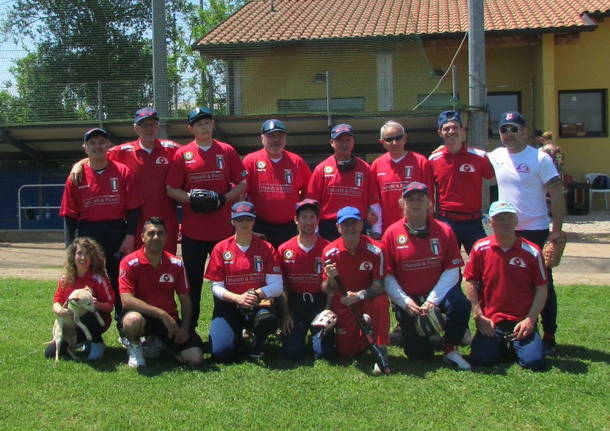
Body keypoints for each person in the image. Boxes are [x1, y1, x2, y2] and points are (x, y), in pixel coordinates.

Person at [487, 111, 565, 356]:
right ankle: (511, 329)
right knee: (509, 282)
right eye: (504, 129)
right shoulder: (496, 156)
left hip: (536, 230)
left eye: (513, 128)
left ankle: (549, 335)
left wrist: (557, 230)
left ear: (524, 131)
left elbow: (557, 192)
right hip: (506, 230)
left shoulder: (540, 158)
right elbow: (471, 156)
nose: (508, 134)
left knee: (543, 283)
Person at [166, 107, 248, 331]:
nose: (203, 126)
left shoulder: (227, 150)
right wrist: (191, 198)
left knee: (227, 282)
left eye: (207, 122)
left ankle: (228, 326)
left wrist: (224, 199)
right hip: (194, 233)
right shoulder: (183, 154)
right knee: (192, 284)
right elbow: (171, 189)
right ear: (190, 128)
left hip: (223, 233)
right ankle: (189, 328)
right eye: (198, 123)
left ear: (213, 124)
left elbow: (242, 183)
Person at [381, 182, 471, 370]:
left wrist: (432, 301)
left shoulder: (444, 230)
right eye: (410, 199)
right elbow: (387, 276)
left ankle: (450, 349)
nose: (416, 202)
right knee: (418, 355)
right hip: (410, 299)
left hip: (437, 295)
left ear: (429, 203)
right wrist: (405, 302)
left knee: (461, 304)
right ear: (402, 204)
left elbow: (452, 270)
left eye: (420, 198)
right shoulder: (391, 234)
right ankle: (433, 328)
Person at [69, 108, 181, 253]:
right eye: (143, 125)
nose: (148, 129)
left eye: (152, 124)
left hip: (166, 222)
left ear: (157, 126)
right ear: (135, 128)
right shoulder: (123, 151)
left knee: (166, 264)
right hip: (136, 224)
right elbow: (97, 154)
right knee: (137, 266)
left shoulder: (172, 149)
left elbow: (193, 155)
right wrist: (78, 165)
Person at [60, 128, 142, 318]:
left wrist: (130, 236)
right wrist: (69, 247)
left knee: (120, 280)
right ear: (85, 148)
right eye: (92, 142)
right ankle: (91, 329)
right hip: (88, 233)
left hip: (117, 230)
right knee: (88, 280)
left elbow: (134, 209)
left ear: (108, 146)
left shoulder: (122, 172)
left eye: (101, 142)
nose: (97, 146)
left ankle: (124, 325)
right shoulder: (76, 176)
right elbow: (69, 215)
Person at [464, 201, 547, 370]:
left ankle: (515, 343)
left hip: (521, 321)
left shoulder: (532, 251)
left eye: (510, 218)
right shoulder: (480, 248)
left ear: (516, 221)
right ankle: (501, 345)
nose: (505, 222)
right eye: (500, 218)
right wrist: (478, 315)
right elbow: (470, 281)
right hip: (492, 322)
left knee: (534, 363)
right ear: (490, 222)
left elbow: (541, 288)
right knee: (481, 359)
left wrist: (530, 319)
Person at [119, 217, 203, 368]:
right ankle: (135, 347)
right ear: (142, 237)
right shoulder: (129, 262)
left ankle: (159, 345)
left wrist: (184, 328)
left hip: (169, 320)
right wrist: (161, 314)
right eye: (151, 233)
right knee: (131, 320)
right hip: (142, 317)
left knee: (195, 358)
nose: (156, 237)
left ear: (166, 237)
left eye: (160, 233)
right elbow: (126, 300)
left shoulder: (176, 263)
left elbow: (185, 300)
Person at [204, 201, 283, 362]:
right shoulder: (221, 248)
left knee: (266, 319)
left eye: (248, 219)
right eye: (239, 219)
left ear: (254, 220)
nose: (244, 223)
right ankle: (237, 335)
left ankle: (258, 343)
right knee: (222, 354)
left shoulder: (266, 248)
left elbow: (277, 286)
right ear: (233, 221)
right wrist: (238, 298)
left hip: (257, 303)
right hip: (229, 305)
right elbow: (216, 288)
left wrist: (254, 294)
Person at [322, 206, 390, 374]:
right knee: (347, 352)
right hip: (344, 304)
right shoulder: (329, 252)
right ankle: (367, 332)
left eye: (354, 223)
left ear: (361, 225)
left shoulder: (376, 249)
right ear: (338, 227)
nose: (350, 228)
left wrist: (359, 296)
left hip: (366, 300)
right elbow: (327, 289)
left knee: (381, 302)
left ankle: (381, 349)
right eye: (345, 224)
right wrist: (331, 277)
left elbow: (380, 286)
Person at [429, 111, 495, 254]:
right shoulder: (433, 160)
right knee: (448, 269)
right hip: (446, 222)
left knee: (484, 264)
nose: (451, 131)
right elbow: (428, 191)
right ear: (440, 132)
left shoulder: (479, 157)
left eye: (455, 127)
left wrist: (493, 211)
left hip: (473, 223)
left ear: (462, 130)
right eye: (446, 128)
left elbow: (496, 180)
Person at [242, 119, 312, 247]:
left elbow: (309, 193)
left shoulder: (297, 162)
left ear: (285, 138)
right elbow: (241, 194)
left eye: (280, 135)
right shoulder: (250, 161)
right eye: (271, 135)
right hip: (260, 225)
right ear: (262, 138)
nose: (276, 139)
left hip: (291, 227)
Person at [277, 199, 332, 359]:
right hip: (296, 303)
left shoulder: (328, 248)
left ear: (317, 220)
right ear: (296, 220)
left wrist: (328, 310)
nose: (308, 222)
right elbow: (282, 286)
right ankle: (296, 335)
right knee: (292, 352)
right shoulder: (284, 249)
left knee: (324, 353)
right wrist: (286, 315)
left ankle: (315, 337)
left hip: (319, 302)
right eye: (304, 217)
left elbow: (331, 287)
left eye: (312, 217)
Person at [307, 124, 381, 240]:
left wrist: (377, 230)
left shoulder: (365, 168)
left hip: (356, 224)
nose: (344, 144)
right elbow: (312, 202)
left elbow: (374, 202)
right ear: (331, 142)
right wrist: (314, 231)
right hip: (329, 227)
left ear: (353, 142)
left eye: (348, 140)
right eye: (339, 140)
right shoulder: (321, 169)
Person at [45, 237, 114, 360]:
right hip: (72, 324)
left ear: (92, 257)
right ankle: (80, 341)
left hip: (96, 320)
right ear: (73, 256)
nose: (83, 257)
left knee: (86, 315)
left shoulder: (98, 278)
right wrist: (60, 310)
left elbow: (109, 306)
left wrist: (96, 304)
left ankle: (97, 342)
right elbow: (56, 302)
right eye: (79, 253)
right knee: (50, 353)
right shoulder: (65, 278)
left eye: (87, 254)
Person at [371, 120, 434, 232]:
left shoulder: (421, 162)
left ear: (405, 138)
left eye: (398, 138)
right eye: (389, 139)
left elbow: (429, 198)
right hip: (388, 229)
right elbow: (374, 200)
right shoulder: (377, 165)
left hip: (417, 228)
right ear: (382, 142)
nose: (394, 142)